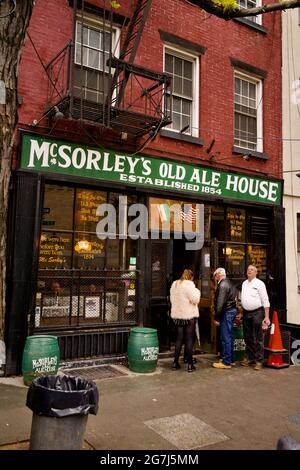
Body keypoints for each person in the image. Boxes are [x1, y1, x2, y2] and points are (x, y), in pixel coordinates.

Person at [240, 265, 270, 371]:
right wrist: (241, 313)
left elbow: (265, 300)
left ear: (256, 273)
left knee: (258, 338)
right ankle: (250, 358)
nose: (249, 271)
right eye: (248, 269)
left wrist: (266, 317)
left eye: (251, 270)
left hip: (257, 312)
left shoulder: (260, 284)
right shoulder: (244, 283)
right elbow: (243, 299)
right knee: (248, 337)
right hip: (246, 313)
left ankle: (259, 361)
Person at [170, 269, 201, 372]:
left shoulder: (175, 284)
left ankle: (175, 362)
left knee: (179, 339)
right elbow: (195, 299)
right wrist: (197, 290)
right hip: (188, 316)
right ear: (191, 277)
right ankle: (190, 365)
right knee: (189, 340)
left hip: (178, 316)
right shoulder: (189, 285)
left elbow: (172, 299)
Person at [212, 268, 237, 369]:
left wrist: (216, 317)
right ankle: (230, 359)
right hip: (231, 311)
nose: (215, 278)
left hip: (226, 312)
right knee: (229, 336)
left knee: (225, 337)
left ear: (218, 274)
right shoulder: (229, 283)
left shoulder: (222, 284)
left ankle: (226, 362)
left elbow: (220, 303)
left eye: (215, 275)